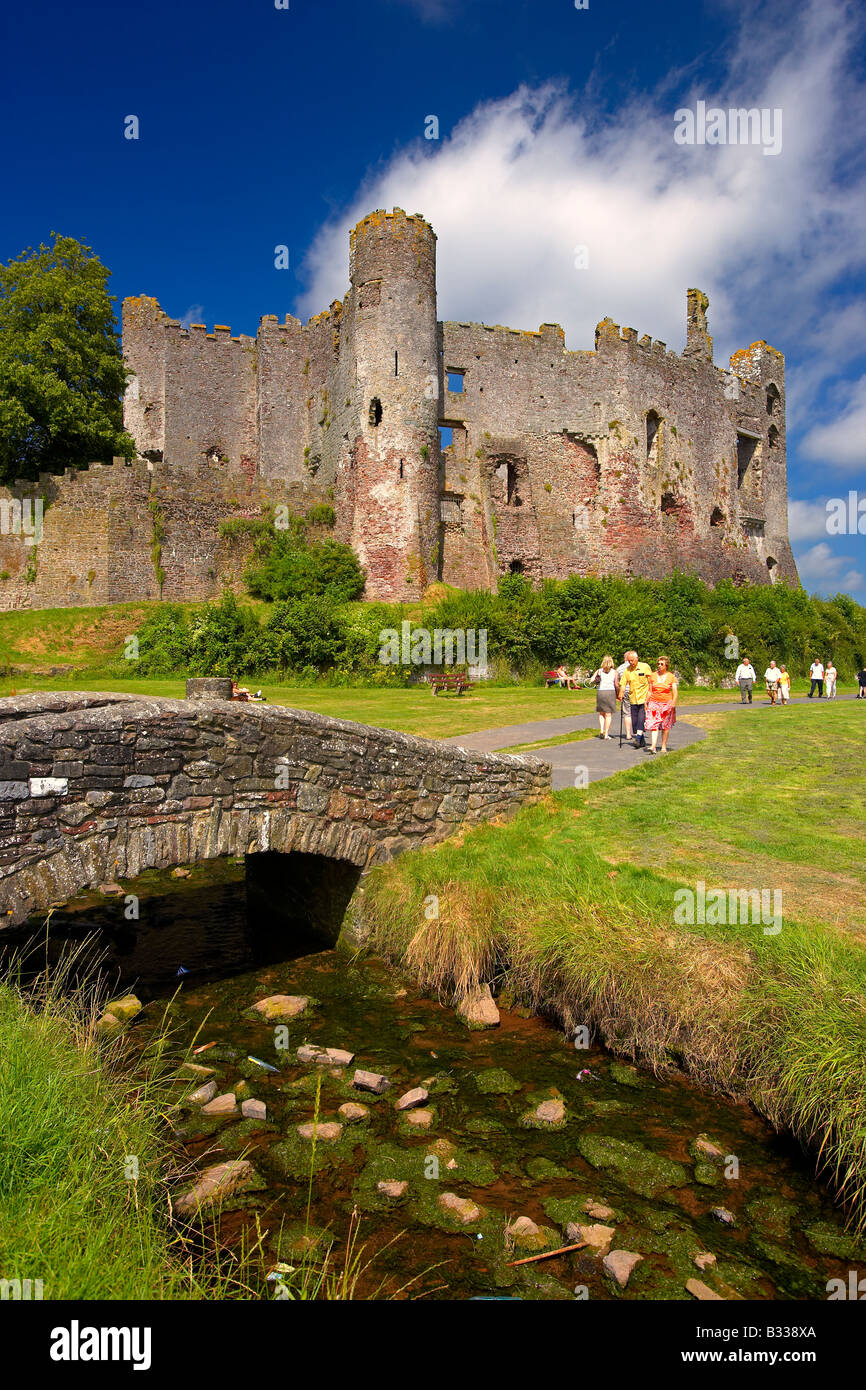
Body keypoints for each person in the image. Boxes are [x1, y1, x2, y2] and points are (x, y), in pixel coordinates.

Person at [618, 650, 652, 749]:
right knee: (635, 721)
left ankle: (637, 738)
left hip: (644, 698)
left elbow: (650, 682)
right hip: (633, 698)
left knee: (641, 718)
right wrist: (621, 693)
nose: (631, 662)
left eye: (632, 660)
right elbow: (623, 683)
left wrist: (650, 694)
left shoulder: (645, 667)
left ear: (637, 659)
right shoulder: (627, 670)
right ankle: (641, 741)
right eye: (629, 661)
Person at [645, 657, 678, 753]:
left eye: (661, 664)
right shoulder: (653, 676)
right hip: (654, 702)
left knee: (665, 726)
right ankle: (653, 746)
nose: (659, 665)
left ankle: (663, 746)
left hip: (666, 703)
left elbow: (675, 692)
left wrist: (673, 702)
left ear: (666, 666)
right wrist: (646, 701)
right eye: (658, 664)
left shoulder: (671, 677)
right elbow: (650, 691)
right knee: (653, 724)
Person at [591, 655, 619, 739]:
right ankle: (606, 734)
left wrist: (597, 680)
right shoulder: (614, 672)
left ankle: (601, 730)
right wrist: (619, 693)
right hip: (610, 692)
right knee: (608, 714)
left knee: (601, 712)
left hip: (601, 692)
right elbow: (616, 684)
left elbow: (591, 680)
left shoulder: (599, 671)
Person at [616, 653, 633, 740]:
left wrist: (618, 693)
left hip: (625, 691)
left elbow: (616, 682)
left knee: (627, 713)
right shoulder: (636, 666)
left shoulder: (620, 668)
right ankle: (638, 733)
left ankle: (628, 734)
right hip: (636, 692)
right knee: (637, 712)